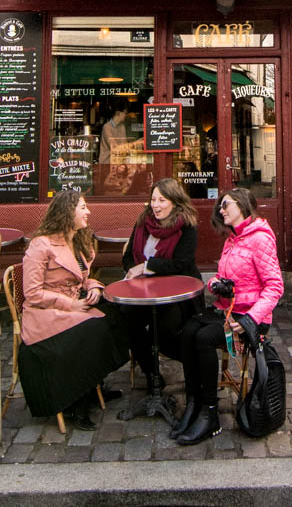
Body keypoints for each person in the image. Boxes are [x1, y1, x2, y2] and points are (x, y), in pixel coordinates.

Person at [172, 188, 284, 446]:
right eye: (220, 207)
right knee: (188, 329)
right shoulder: (233, 238)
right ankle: (194, 402)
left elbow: (275, 287)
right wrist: (216, 286)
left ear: (243, 205)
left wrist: (250, 320)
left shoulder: (260, 239)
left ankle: (210, 413)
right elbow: (226, 278)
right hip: (229, 311)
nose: (221, 211)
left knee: (203, 338)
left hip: (251, 321)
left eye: (226, 205)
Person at [17, 190, 128, 429]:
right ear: (68, 212)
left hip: (75, 304)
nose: (88, 212)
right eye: (83, 207)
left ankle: (95, 381)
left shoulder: (77, 240)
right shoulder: (41, 245)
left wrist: (95, 287)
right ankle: (79, 402)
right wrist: (71, 304)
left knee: (118, 314)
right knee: (94, 330)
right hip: (45, 314)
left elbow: (82, 277)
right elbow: (32, 293)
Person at [122, 178, 201, 388]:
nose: (156, 205)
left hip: (177, 292)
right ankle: (151, 373)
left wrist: (146, 267)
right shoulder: (142, 222)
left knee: (165, 326)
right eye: (153, 199)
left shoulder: (186, 226)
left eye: (162, 200)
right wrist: (133, 270)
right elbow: (128, 256)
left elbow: (181, 264)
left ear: (175, 202)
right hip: (142, 292)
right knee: (127, 320)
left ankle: (194, 362)